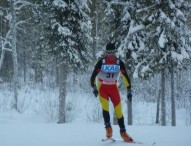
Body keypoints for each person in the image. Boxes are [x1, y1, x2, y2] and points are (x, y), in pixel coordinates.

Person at [90, 43, 133, 142]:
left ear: (115, 52)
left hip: (113, 88)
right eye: (109, 53)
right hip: (102, 88)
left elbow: (126, 77)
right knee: (105, 107)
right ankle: (108, 130)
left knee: (119, 111)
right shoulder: (101, 62)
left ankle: (123, 133)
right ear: (106, 53)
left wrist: (129, 90)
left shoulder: (119, 63)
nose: (111, 55)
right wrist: (94, 87)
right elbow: (93, 76)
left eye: (113, 52)